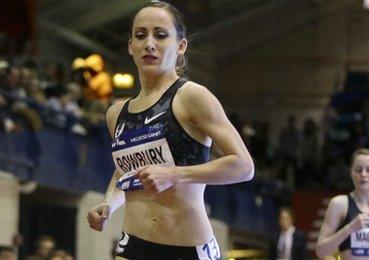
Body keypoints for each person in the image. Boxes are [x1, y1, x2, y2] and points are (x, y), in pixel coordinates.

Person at [86, 2, 254, 260]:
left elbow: (243, 166)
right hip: (133, 246)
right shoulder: (116, 114)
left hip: (187, 247)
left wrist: (174, 175)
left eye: (161, 35)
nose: (149, 43)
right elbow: (126, 171)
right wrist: (109, 203)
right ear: (131, 46)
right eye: (140, 36)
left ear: (181, 46)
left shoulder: (192, 97)